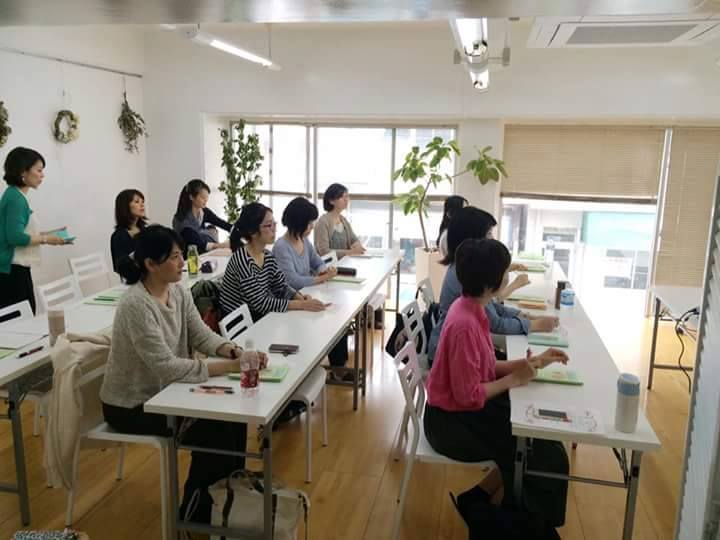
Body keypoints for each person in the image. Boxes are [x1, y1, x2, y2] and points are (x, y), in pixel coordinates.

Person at [99, 225, 266, 523]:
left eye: (180, 255)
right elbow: (166, 366)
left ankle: (226, 496)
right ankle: (197, 511)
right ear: (151, 264)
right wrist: (229, 367)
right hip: (132, 404)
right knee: (214, 429)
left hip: (168, 391)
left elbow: (201, 334)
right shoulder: (135, 304)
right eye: (175, 257)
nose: (182, 262)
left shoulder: (177, 291)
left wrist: (233, 351)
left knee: (233, 418)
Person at [424, 237, 570, 529]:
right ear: (491, 284)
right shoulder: (465, 323)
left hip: (459, 411)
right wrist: (515, 378)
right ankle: (521, 525)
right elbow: (468, 396)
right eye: (505, 272)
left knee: (539, 438)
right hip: (449, 424)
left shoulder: (471, 307)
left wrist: (529, 364)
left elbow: (485, 367)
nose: (508, 276)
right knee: (536, 448)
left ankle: (483, 502)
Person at [427, 207, 558, 364]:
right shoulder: (464, 275)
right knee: (520, 360)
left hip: (458, 350)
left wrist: (525, 316)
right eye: (489, 233)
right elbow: (495, 323)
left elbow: (493, 308)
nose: (493, 238)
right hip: (448, 357)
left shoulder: (464, 269)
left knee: (520, 360)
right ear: (473, 239)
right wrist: (534, 325)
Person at [273, 197, 350, 368]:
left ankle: (339, 366)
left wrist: (323, 270)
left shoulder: (303, 240)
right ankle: (337, 367)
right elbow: (292, 281)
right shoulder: (281, 247)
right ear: (298, 223)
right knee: (332, 320)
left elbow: (317, 261)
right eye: (309, 223)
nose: (312, 227)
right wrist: (321, 278)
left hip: (307, 295)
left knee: (338, 318)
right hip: (293, 303)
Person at [219, 202, 327, 322]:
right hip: (242, 323)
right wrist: (300, 305)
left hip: (259, 315)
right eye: (268, 225)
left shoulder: (267, 255)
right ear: (252, 232)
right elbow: (260, 303)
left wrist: (299, 297)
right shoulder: (242, 260)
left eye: (274, 224)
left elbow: (281, 286)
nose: (274, 229)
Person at [0, 147, 69, 313]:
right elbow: (15, 237)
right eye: (39, 170)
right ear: (23, 172)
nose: (42, 175)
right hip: (12, 272)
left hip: (14, 269)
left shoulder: (17, 195)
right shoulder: (16, 198)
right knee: (22, 321)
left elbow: (22, 232)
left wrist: (50, 235)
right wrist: (46, 239)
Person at [172, 179, 231, 254]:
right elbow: (198, 242)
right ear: (191, 197)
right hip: (189, 256)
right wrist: (222, 245)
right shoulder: (182, 220)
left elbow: (221, 223)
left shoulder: (203, 211)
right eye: (203, 197)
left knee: (211, 228)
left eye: (207, 197)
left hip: (204, 252)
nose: (206, 200)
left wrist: (237, 230)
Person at [314, 182, 365, 258]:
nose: (346, 200)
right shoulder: (323, 222)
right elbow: (324, 252)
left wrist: (357, 245)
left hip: (345, 262)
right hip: (330, 265)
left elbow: (354, 239)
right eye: (342, 197)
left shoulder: (343, 220)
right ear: (331, 201)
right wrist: (350, 252)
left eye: (347, 196)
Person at [110, 188, 147, 273]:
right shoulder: (118, 236)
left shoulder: (145, 230)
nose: (142, 205)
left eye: (142, 202)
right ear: (125, 206)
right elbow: (119, 267)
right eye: (137, 202)